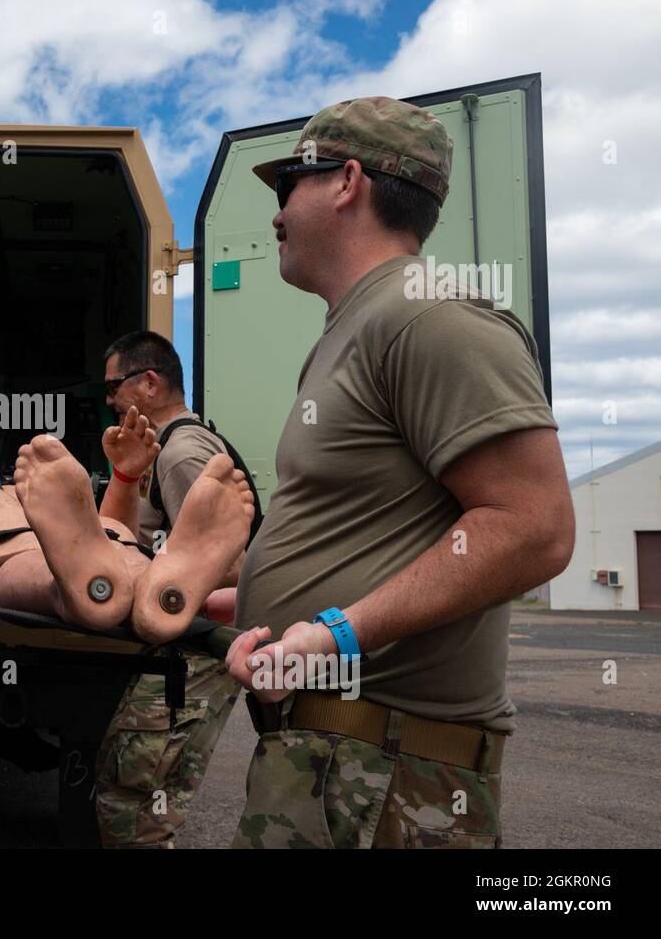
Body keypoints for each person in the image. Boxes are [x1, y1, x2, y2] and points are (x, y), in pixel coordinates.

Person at [225, 96, 573, 848]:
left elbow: (534, 529)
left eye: (289, 184)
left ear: (347, 181)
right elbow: (371, 537)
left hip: (386, 776)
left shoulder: (431, 317)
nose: (276, 214)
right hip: (333, 759)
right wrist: (249, 607)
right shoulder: (356, 328)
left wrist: (335, 636)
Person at [90, 332, 251, 847]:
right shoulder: (173, 447)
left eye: (115, 386)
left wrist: (149, 592)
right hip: (185, 641)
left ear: (150, 383)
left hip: (193, 648)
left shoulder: (180, 454)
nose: (111, 400)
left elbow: (227, 566)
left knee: (133, 802)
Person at [0, 433, 255, 641]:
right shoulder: (33, 502)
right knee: (116, 543)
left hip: (32, 537)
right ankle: (159, 592)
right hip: (100, 541)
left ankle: (81, 594)